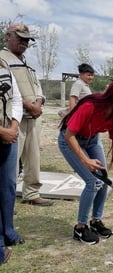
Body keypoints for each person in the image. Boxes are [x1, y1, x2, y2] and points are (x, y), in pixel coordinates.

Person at [58, 78, 113, 245]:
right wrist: (85, 160)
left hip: (91, 140)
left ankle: (95, 221)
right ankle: (80, 228)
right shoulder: (90, 107)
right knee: (93, 181)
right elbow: (69, 135)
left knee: (104, 179)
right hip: (70, 140)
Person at [0, 22, 54, 206]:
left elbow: (37, 87)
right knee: (10, 163)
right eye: (20, 38)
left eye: (26, 40)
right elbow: (8, 92)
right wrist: (28, 106)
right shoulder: (2, 59)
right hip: (13, 119)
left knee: (33, 158)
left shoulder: (26, 62)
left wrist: (38, 102)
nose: (24, 43)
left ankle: (31, 193)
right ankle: (6, 201)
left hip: (33, 118)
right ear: (8, 36)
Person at [0, 59, 23, 263]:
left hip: (9, 137)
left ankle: (8, 230)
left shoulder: (3, 66)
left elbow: (16, 99)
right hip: (3, 133)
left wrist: (13, 128)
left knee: (8, 185)